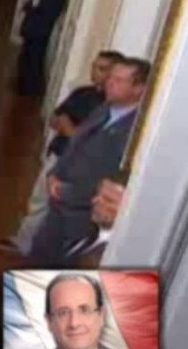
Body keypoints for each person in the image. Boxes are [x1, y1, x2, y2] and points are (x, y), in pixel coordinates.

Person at [0, 51, 120, 256]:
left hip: (83, 168)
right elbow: (55, 119)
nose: (95, 72)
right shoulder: (83, 94)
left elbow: (92, 142)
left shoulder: (109, 107)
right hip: (59, 155)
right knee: (39, 200)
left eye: (102, 68)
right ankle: (23, 243)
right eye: (94, 66)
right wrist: (71, 130)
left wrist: (72, 131)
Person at [29, 58, 147, 264]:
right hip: (59, 208)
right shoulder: (103, 109)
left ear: (139, 89)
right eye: (110, 77)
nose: (110, 82)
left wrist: (69, 191)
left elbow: (112, 176)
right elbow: (74, 146)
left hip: (84, 217)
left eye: (119, 80)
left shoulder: (137, 130)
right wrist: (54, 174)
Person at [33, 273, 149, 349]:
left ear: (101, 316)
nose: (74, 323)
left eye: (84, 310)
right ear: (49, 321)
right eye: (63, 313)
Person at [18, 0, 67, 97]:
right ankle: (22, 85)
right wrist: (33, 5)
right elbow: (28, 6)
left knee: (35, 60)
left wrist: (36, 6)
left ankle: (32, 89)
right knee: (26, 57)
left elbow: (49, 13)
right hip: (31, 29)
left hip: (41, 31)